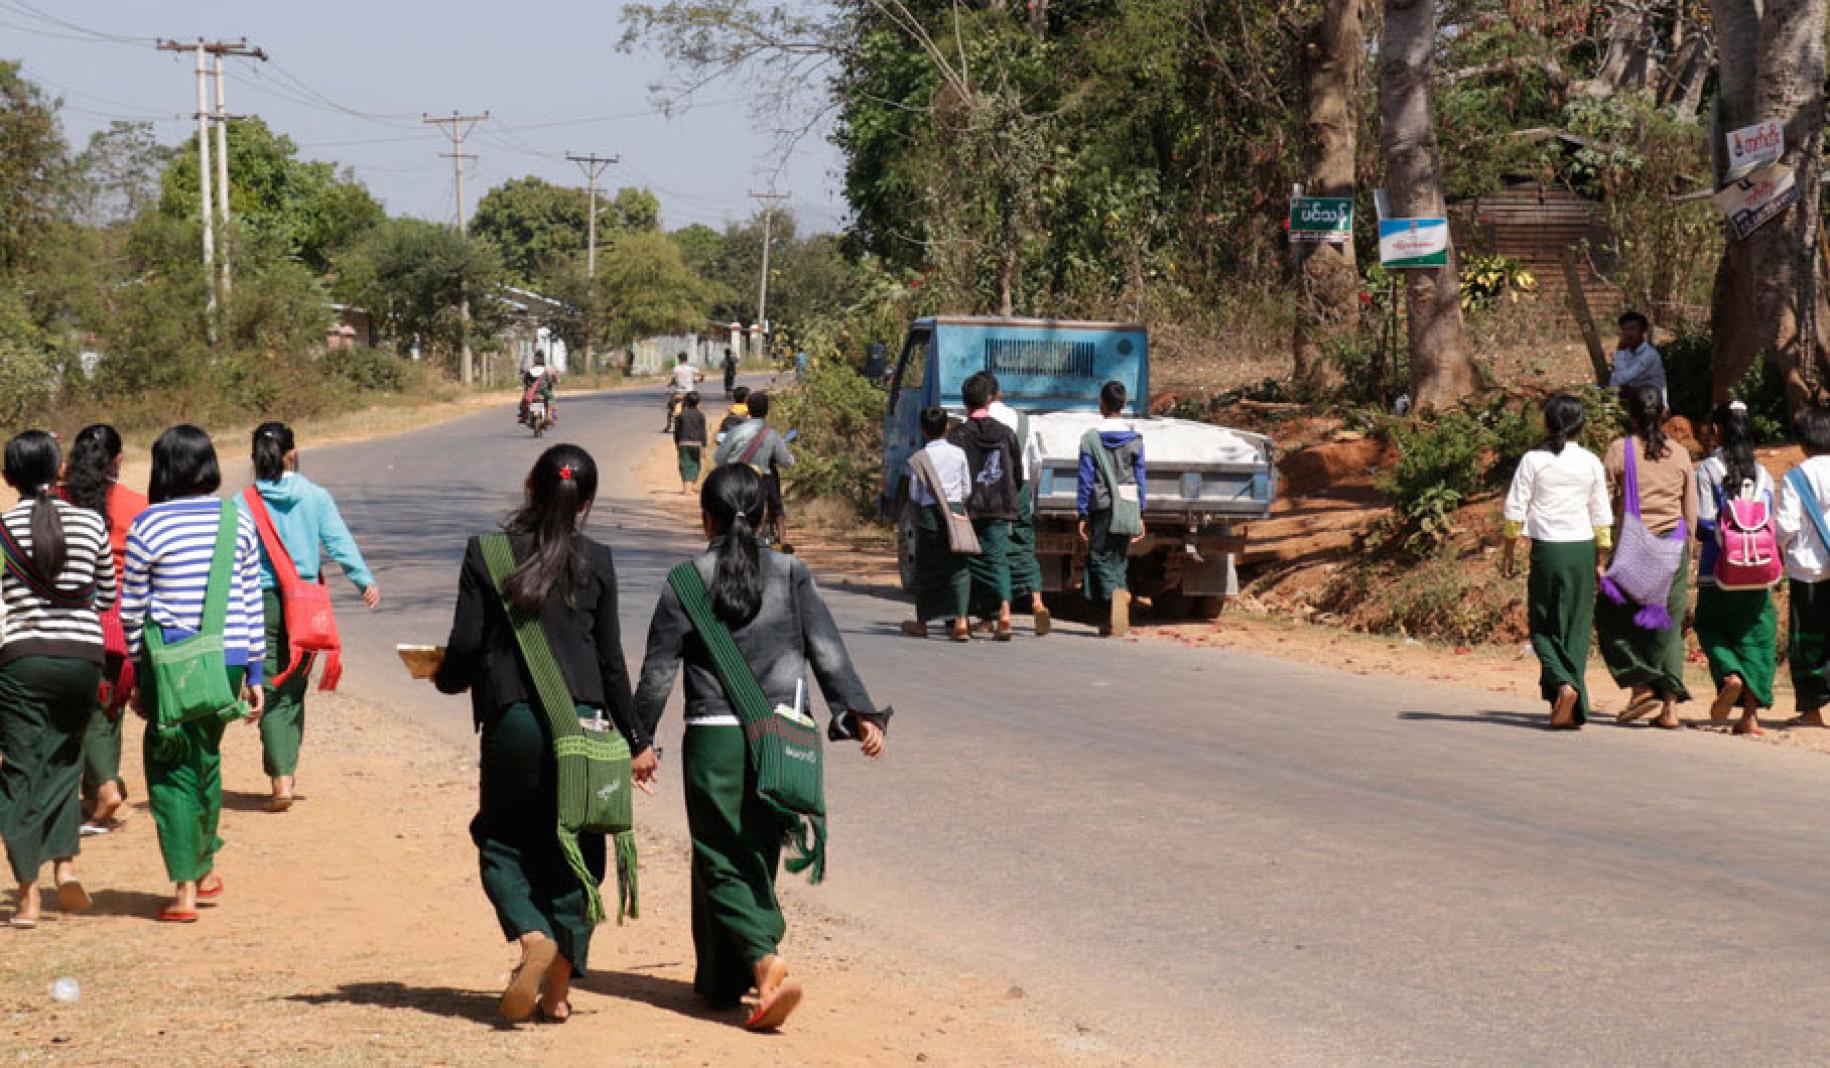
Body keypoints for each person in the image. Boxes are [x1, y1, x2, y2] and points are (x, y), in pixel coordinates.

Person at [631, 464, 886, 1031]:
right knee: (752, 858)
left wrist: (639, 739)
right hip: (780, 740)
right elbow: (827, 650)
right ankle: (724, 980)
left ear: (706, 519)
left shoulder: (684, 580)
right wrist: (859, 714)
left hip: (714, 742)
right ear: (766, 514)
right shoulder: (793, 572)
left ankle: (768, 963)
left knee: (721, 858)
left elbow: (656, 674)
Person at [433, 445, 643, 1023]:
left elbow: (468, 647)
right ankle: (557, 993)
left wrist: (444, 677)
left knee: (502, 841)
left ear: (530, 485)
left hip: (516, 721)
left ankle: (530, 935)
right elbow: (610, 661)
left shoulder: (487, 552)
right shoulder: (598, 559)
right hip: (586, 729)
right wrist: (639, 737)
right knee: (574, 849)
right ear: (588, 502)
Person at [121, 425, 266, 923]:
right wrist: (255, 673)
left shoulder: (150, 526)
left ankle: (184, 889)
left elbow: (132, 609)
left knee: (169, 769)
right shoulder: (237, 521)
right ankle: (203, 869)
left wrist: (137, 676)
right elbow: (250, 602)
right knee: (205, 757)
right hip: (226, 662)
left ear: (163, 469)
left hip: (173, 665)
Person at [0, 431, 116, 928]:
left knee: (22, 771)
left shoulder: (2, 527)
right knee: (66, 763)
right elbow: (107, 594)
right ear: (59, 469)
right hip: (81, 660)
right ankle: (65, 863)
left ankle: (28, 895)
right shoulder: (90, 522)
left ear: (8, 477)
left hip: (21, 662)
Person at [241, 423, 382, 812]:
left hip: (261, 602)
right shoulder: (315, 496)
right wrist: (362, 579)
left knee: (270, 685)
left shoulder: (243, 503)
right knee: (294, 687)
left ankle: (280, 779)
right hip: (305, 603)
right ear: (292, 453)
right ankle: (286, 771)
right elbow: (338, 541)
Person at [1500, 395, 1613, 730]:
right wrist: (1601, 560)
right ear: (1582, 425)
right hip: (1581, 548)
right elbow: (1601, 513)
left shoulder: (1533, 461)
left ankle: (1564, 685)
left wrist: (1508, 554)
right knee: (1576, 627)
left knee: (1543, 626)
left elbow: (1514, 510)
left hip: (1548, 550)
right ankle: (1572, 700)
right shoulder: (1591, 461)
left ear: (1548, 424)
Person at [58, 423, 146, 829]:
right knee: (109, 706)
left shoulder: (58, 503)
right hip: (121, 622)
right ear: (118, 461)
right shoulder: (137, 506)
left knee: (82, 707)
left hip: (69, 619)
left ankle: (101, 790)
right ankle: (100, 788)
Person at [1597, 384, 1696, 730]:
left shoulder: (1618, 450)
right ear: (1665, 414)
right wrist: (1690, 553)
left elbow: (1603, 507)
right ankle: (1670, 708)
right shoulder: (1681, 455)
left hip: (1631, 548)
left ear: (1630, 414)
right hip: (1674, 549)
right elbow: (1691, 510)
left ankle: (1640, 685)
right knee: (1667, 629)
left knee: (1611, 619)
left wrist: (1601, 554)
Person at [1694, 401, 1778, 737]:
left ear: (1717, 430)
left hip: (1718, 567)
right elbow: (1769, 519)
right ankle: (1750, 717)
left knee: (1710, 626)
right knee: (1757, 638)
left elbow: (1702, 523)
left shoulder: (1708, 469)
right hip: (1758, 570)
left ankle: (1729, 675)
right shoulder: (1765, 474)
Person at [950, 373, 1022, 640]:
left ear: (965, 401)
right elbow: (1017, 472)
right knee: (997, 560)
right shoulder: (1006, 434)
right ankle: (1004, 614)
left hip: (967, 508)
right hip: (999, 505)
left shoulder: (958, 434)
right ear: (989, 400)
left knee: (964, 561)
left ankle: (960, 620)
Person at [1077, 380, 1147, 638]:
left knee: (1098, 558)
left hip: (1102, 505)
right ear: (1124, 404)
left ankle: (1120, 596)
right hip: (1128, 506)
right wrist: (1141, 511)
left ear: (1101, 404)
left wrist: (1082, 511)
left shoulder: (1090, 439)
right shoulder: (1135, 439)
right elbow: (1140, 477)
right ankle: (1112, 618)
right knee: (1118, 558)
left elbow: (1085, 478)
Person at [1777, 407, 1830, 727]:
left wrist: (1776, 546)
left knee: (1807, 638)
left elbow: (1785, 525)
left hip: (1807, 568)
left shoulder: (1797, 476)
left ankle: (1811, 710)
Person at [900, 407, 972, 641]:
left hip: (930, 516)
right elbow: (966, 489)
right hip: (956, 513)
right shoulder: (959, 454)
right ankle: (961, 621)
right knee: (959, 567)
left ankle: (922, 623)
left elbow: (914, 493)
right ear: (947, 427)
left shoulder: (920, 458)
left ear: (923, 430)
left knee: (927, 569)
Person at [987, 377, 1050, 636]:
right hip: (1020, 486)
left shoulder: (975, 421)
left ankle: (1002, 611)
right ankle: (1037, 602)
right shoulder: (1023, 420)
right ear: (1000, 392)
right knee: (1024, 543)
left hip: (990, 488)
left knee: (994, 546)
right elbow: (1036, 463)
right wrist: (1027, 488)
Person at [715, 391, 796, 551]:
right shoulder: (772, 435)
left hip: (740, 478)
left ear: (748, 409)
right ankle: (783, 538)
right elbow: (787, 461)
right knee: (776, 506)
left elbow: (720, 458)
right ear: (767, 410)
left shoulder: (736, 432)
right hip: (764, 479)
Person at [1609, 311, 1666, 401]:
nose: (1627, 334)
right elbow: (1615, 380)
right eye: (1624, 329)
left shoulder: (1649, 355)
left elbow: (1621, 379)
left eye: (1632, 329)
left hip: (1652, 403)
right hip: (1634, 400)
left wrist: (1620, 352)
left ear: (1643, 330)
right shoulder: (1626, 353)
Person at [675, 391, 708, 494]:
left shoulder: (681, 415)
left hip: (683, 442)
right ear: (698, 403)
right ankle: (691, 487)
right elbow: (703, 431)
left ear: (685, 402)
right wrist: (704, 445)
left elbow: (677, 431)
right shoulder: (701, 415)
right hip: (697, 443)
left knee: (685, 464)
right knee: (695, 465)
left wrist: (676, 442)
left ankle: (686, 489)